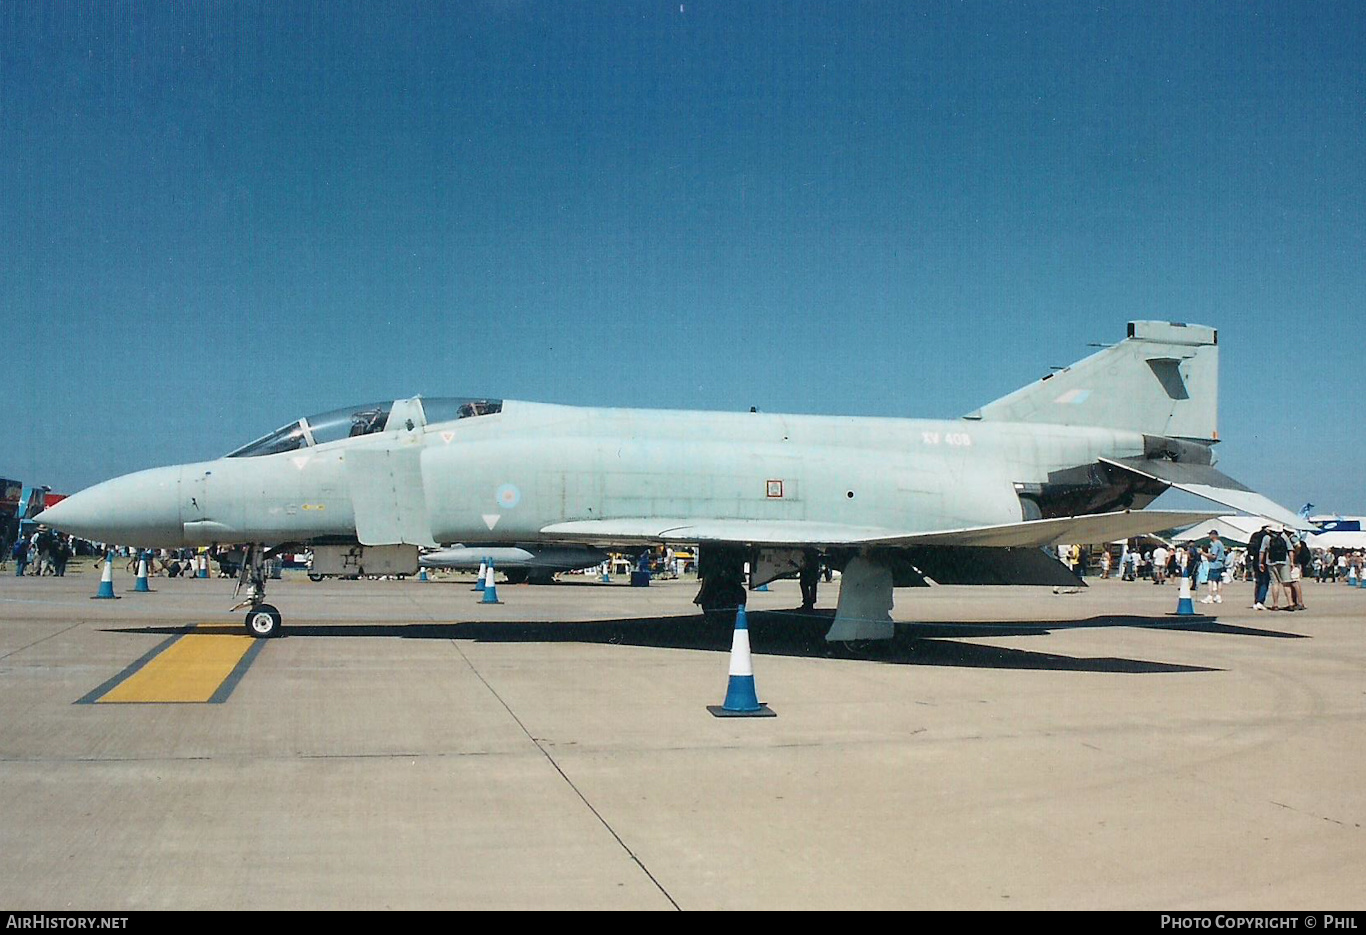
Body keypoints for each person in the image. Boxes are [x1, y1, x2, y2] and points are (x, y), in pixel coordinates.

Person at [1248, 524, 1271, 609]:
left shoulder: (1254, 535)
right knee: (1265, 581)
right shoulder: (1268, 537)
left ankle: (1256, 600)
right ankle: (1260, 601)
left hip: (1255, 560)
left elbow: (1250, 549)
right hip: (1265, 560)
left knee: (1258, 582)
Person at [1200, 530, 1227, 604]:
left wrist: (1204, 554)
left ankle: (1210, 596)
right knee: (1219, 581)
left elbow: (1213, 556)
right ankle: (1218, 596)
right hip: (1220, 564)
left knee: (1210, 580)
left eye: (1210, 535)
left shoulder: (1215, 544)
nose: (1209, 536)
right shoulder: (1221, 544)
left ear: (1213, 535)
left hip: (1214, 565)